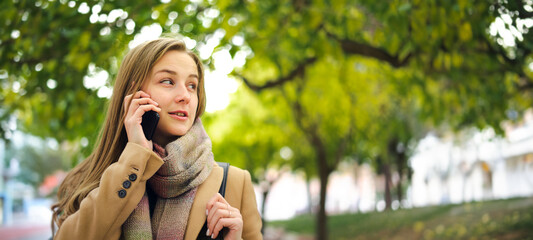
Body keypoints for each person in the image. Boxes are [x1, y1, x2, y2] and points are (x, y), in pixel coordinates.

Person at [51, 38, 262, 240]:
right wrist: (135, 155)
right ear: (135, 94)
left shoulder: (235, 182)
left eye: (192, 85)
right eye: (168, 81)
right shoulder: (87, 181)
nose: (185, 96)